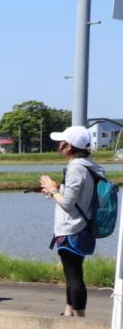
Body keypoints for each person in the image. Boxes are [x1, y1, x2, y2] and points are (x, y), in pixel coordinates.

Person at [39, 125, 107, 317]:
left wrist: (53, 189)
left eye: (62, 142)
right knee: (72, 272)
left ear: (69, 146)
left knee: (74, 274)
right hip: (84, 226)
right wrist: (57, 190)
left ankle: (80, 319)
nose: (59, 145)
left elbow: (68, 204)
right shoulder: (89, 165)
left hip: (72, 228)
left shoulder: (76, 168)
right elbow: (78, 196)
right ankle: (69, 311)